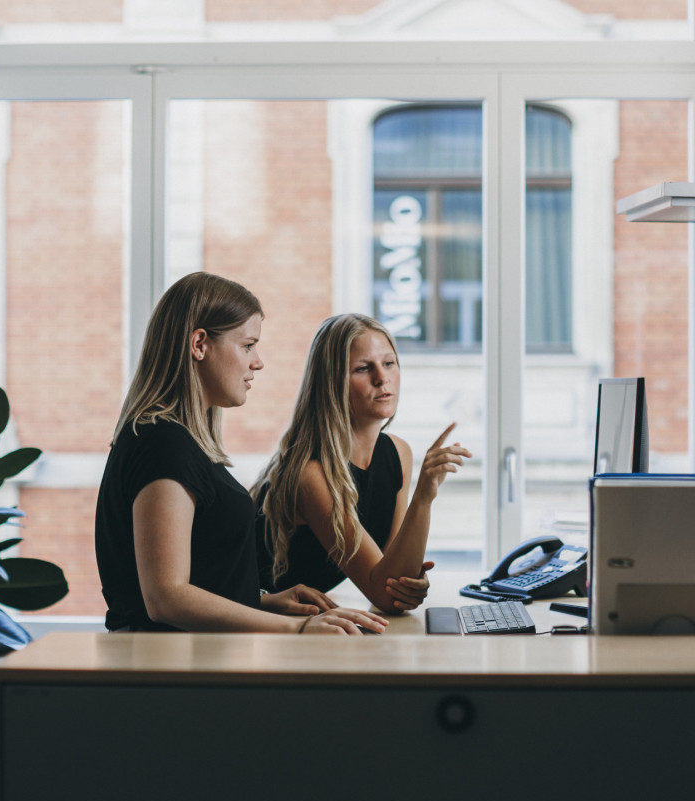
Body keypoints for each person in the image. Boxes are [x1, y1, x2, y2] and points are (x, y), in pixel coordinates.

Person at [95, 272, 388, 635]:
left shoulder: (175, 440)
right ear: (199, 344)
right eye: (248, 345)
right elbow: (165, 599)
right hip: (171, 672)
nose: (258, 362)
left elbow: (195, 580)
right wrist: (297, 629)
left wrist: (263, 600)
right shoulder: (162, 444)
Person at [253, 313, 472, 615]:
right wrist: (424, 497)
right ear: (332, 383)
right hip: (251, 627)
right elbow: (385, 595)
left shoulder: (398, 453)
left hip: (305, 627)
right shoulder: (311, 473)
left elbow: (393, 579)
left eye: (389, 363)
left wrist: (412, 584)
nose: (382, 378)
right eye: (362, 368)